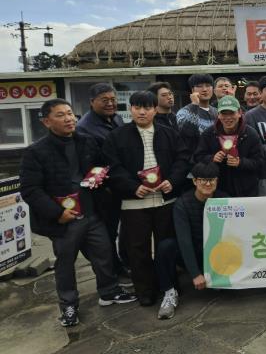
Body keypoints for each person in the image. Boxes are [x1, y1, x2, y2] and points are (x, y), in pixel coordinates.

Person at [20, 99, 136, 327]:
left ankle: (109, 291)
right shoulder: (36, 152)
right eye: (60, 115)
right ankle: (69, 305)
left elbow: (102, 167)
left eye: (70, 113)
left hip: (92, 212)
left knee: (104, 254)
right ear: (46, 122)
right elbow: (30, 190)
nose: (69, 119)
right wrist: (57, 213)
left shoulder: (87, 141)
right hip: (64, 220)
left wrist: (100, 176)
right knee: (65, 264)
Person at [102, 91, 190, 309]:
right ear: (130, 109)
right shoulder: (116, 136)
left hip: (165, 201)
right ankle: (145, 291)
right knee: (137, 249)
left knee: (166, 247)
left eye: (147, 107)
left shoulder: (169, 134)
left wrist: (172, 181)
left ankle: (169, 286)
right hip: (134, 203)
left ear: (155, 109)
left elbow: (182, 159)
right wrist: (132, 187)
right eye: (137, 107)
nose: (142, 112)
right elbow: (112, 167)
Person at [154, 162, 229, 318]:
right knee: (165, 247)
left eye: (212, 179)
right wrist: (195, 274)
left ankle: (219, 277)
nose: (208, 184)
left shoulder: (225, 199)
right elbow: (184, 241)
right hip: (195, 251)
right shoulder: (182, 203)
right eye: (203, 180)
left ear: (217, 180)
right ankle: (169, 292)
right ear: (194, 181)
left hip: (217, 253)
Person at [75, 83, 128, 282]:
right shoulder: (84, 128)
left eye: (113, 99)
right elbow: (88, 166)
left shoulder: (117, 118)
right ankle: (112, 272)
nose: (110, 104)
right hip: (103, 191)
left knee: (124, 229)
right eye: (104, 100)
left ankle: (122, 264)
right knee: (107, 233)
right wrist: (105, 188)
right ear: (92, 102)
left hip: (120, 184)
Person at [194, 95, 264, 197]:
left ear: (239, 113)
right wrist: (212, 158)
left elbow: (260, 162)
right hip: (218, 190)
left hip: (246, 190)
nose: (228, 117)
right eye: (224, 113)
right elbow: (198, 157)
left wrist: (241, 162)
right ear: (218, 115)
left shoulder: (251, 134)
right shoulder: (209, 133)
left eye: (231, 113)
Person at [176, 74, 218, 156]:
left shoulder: (217, 112)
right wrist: (194, 105)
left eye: (208, 86)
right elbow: (186, 135)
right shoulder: (184, 112)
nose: (204, 89)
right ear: (193, 90)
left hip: (215, 158)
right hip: (193, 159)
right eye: (199, 86)